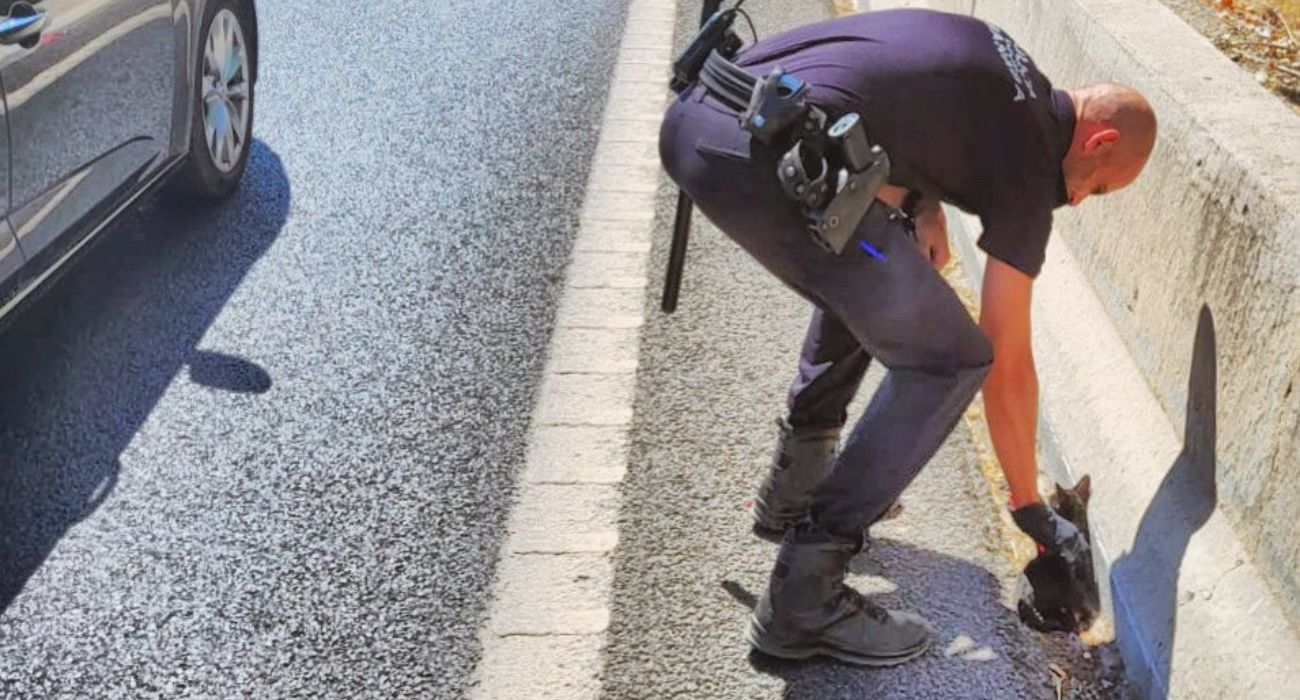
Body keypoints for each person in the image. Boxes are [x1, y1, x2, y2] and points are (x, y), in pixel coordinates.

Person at [659, 8, 1156, 665]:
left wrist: (923, 203)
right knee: (952, 359)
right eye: (1099, 186)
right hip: (760, 161)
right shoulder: (1030, 168)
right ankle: (806, 595)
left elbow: (897, 95)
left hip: (702, 113)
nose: (1085, 199)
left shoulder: (1008, 63)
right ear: (1098, 143)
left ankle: (795, 489)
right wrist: (1031, 509)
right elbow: (1006, 358)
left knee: (887, 270)